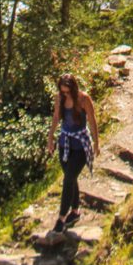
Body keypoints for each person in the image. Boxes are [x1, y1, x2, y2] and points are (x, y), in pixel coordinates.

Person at [47, 73, 101, 231]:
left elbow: (92, 119)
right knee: (70, 177)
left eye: (67, 91)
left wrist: (96, 143)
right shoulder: (59, 99)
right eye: (63, 91)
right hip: (65, 143)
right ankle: (75, 211)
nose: (65, 94)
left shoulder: (83, 99)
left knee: (68, 179)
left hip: (81, 145)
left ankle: (61, 218)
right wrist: (50, 138)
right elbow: (56, 117)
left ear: (74, 88)